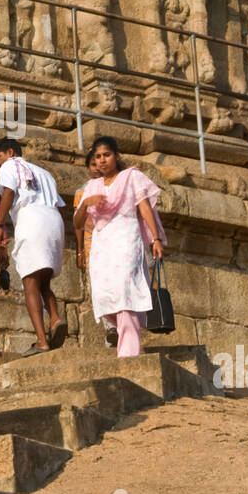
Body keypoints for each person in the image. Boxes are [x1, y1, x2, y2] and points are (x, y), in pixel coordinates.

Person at [73, 135, 165, 357]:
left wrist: (156, 239)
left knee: (126, 292)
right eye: (98, 157)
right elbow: (77, 223)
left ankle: (129, 354)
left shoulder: (130, 177)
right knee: (105, 295)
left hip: (127, 238)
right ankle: (127, 343)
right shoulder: (92, 186)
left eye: (107, 155)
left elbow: (144, 209)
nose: (102, 160)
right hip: (102, 245)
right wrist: (86, 203)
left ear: (116, 156)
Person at [0, 138, 67, 357]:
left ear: (10, 152)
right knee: (42, 278)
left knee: (29, 283)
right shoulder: (44, 172)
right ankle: (55, 319)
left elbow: (8, 193)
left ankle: (42, 341)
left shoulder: (10, 165)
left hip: (31, 220)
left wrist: (0, 222)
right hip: (54, 221)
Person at [73, 147, 100, 272]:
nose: (97, 168)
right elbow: (78, 225)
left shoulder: (115, 187)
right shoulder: (81, 192)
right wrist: (79, 251)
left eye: (99, 164)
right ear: (88, 167)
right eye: (93, 165)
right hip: (91, 242)